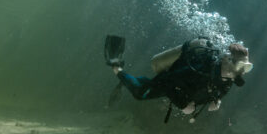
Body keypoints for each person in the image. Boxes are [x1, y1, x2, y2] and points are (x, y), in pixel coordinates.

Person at [105, 35, 253, 122]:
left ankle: (139, 80)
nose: (243, 72)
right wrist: (183, 105)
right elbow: (169, 80)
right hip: (171, 80)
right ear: (228, 60)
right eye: (241, 66)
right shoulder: (199, 68)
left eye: (247, 67)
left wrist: (218, 99)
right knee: (140, 93)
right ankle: (116, 65)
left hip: (183, 88)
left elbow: (223, 88)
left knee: (147, 86)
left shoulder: (230, 76)